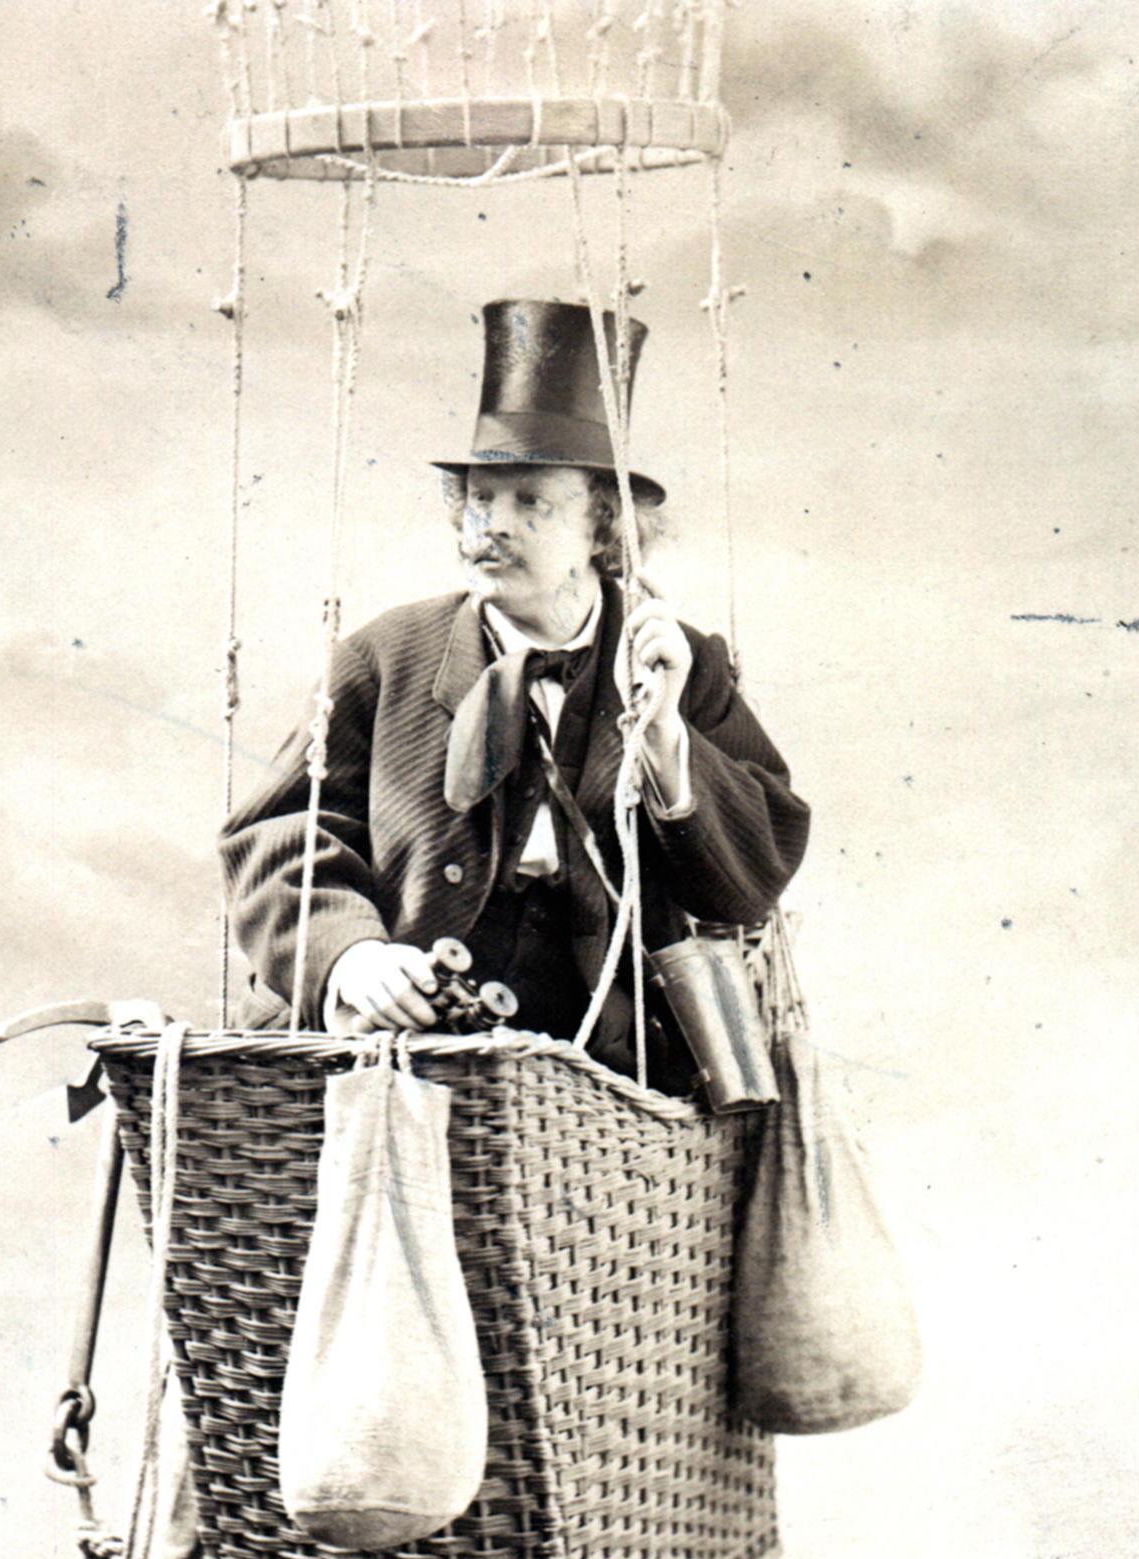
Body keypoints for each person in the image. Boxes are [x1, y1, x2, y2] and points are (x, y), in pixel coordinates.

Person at [220, 299, 810, 1089]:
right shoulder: (383, 656)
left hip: (607, 1079)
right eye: (479, 498)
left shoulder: (678, 662)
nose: (488, 527)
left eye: (529, 501)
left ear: (604, 527)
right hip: (396, 1051)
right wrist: (349, 956)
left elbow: (753, 878)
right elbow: (276, 834)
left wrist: (669, 744)